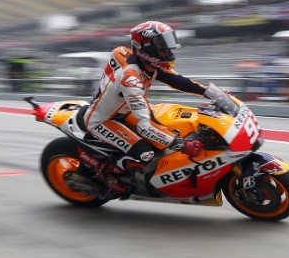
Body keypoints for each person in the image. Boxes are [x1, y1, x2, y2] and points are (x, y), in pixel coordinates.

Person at [82, 21, 219, 194]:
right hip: (103, 121)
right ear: (147, 50)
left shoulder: (142, 61)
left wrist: (210, 92)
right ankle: (107, 172)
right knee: (144, 153)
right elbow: (145, 126)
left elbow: (178, 81)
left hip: (123, 110)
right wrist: (182, 145)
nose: (168, 54)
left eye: (168, 49)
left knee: (166, 133)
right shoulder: (131, 79)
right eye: (163, 50)